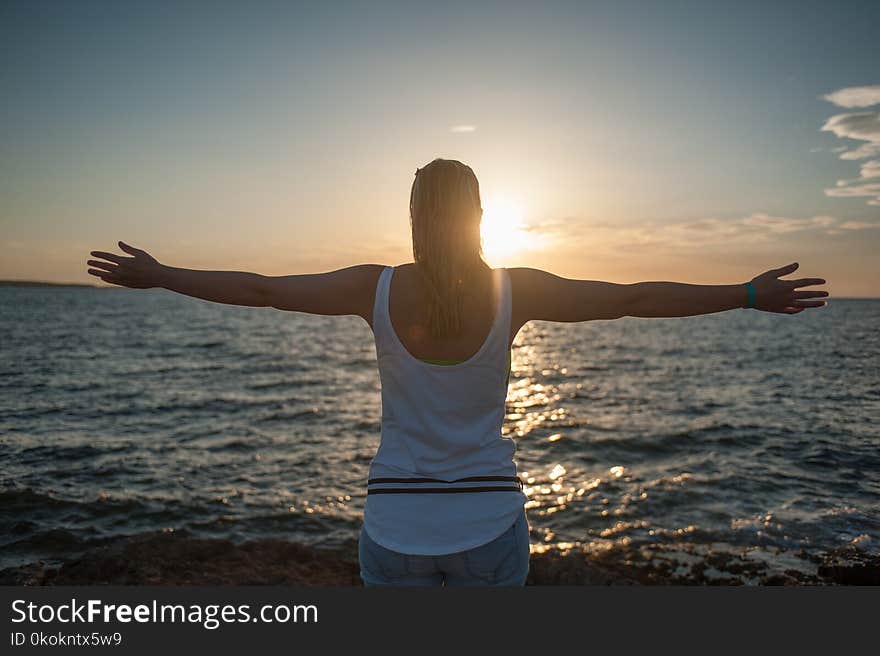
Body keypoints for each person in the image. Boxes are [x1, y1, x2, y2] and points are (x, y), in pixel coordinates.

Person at [86, 157, 828, 586]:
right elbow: (632, 298)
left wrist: (162, 275)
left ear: (413, 214)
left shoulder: (373, 286)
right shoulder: (516, 290)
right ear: (477, 213)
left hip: (395, 529)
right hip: (490, 525)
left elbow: (263, 289)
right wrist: (746, 294)